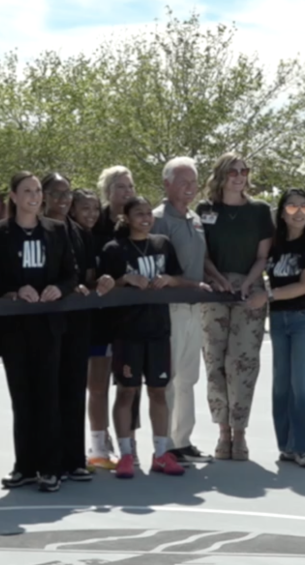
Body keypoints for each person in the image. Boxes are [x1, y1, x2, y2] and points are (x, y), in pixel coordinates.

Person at [100, 197, 209, 479]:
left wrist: (171, 280)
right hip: (127, 333)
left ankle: (161, 454)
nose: (146, 218)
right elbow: (103, 286)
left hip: (159, 331)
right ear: (126, 217)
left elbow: (180, 279)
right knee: (126, 392)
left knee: (159, 392)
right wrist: (126, 279)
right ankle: (126, 455)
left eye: (149, 213)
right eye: (139, 214)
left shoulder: (162, 244)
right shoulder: (114, 249)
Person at [0, 172, 77, 493]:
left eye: (38, 191)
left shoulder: (57, 229)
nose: (34, 196)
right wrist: (12, 292)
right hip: (13, 328)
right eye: (27, 191)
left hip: (49, 326)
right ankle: (24, 466)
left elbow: (71, 274)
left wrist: (58, 288)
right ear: (13, 195)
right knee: (21, 398)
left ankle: (50, 468)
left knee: (48, 396)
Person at [197, 153, 273, 461]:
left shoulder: (259, 211)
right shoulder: (205, 210)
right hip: (214, 290)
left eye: (244, 170)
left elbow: (262, 257)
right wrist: (216, 279)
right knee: (215, 361)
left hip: (248, 290)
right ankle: (223, 433)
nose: (239, 176)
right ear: (221, 175)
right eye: (233, 171)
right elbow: (199, 254)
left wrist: (246, 284)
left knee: (243, 362)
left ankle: (240, 433)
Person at [247, 190, 305, 469]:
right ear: (282, 213)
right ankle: (288, 446)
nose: (299, 211)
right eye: (292, 206)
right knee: (282, 387)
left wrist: (267, 297)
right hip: (280, 320)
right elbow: (261, 268)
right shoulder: (275, 245)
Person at [43, 173, 113, 483]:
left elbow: (87, 276)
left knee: (74, 390)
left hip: (77, 324)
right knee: (47, 393)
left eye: (67, 193)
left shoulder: (81, 234)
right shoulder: (33, 229)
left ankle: (73, 460)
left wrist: (101, 282)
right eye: (57, 193)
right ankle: (46, 462)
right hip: (41, 324)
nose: (63, 198)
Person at [150, 157, 214, 465]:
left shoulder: (196, 219)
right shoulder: (157, 220)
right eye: (183, 182)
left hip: (194, 307)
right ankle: (167, 444)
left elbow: (201, 260)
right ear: (167, 184)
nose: (190, 188)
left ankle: (183, 440)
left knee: (189, 377)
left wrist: (217, 279)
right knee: (170, 376)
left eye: (193, 182)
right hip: (169, 308)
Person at [88, 166, 140, 469]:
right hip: (97, 319)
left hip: (131, 319)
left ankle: (128, 442)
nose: (127, 192)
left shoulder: (139, 223)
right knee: (97, 385)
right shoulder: (94, 224)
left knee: (129, 385)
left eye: (130, 186)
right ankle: (98, 445)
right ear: (108, 191)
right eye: (120, 187)